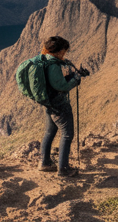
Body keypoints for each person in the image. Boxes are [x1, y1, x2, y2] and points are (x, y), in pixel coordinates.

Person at [36, 36, 82, 178]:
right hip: (59, 105)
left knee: (49, 132)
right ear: (59, 50)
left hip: (49, 103)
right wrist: (75, 80)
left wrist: (69, 77)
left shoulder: (44, 61)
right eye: (64, 50)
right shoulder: (53, 66)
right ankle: (63, 169)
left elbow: (55, 83)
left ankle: (44, 163)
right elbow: (62, 86)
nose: (65, 53)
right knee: (67, 134)